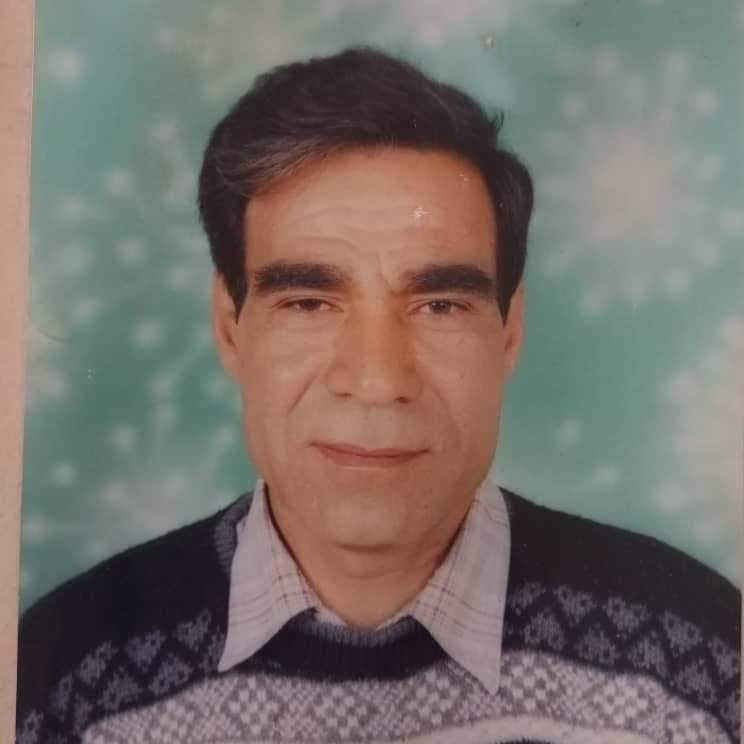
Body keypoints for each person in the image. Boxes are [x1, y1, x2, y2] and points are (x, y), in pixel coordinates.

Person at [16, 47, 740, 744]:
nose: (377, 379)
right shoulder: (68, 682)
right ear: (231, 328)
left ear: (509, 331)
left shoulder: (695, 671)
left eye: (440, 306)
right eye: (308, 303)